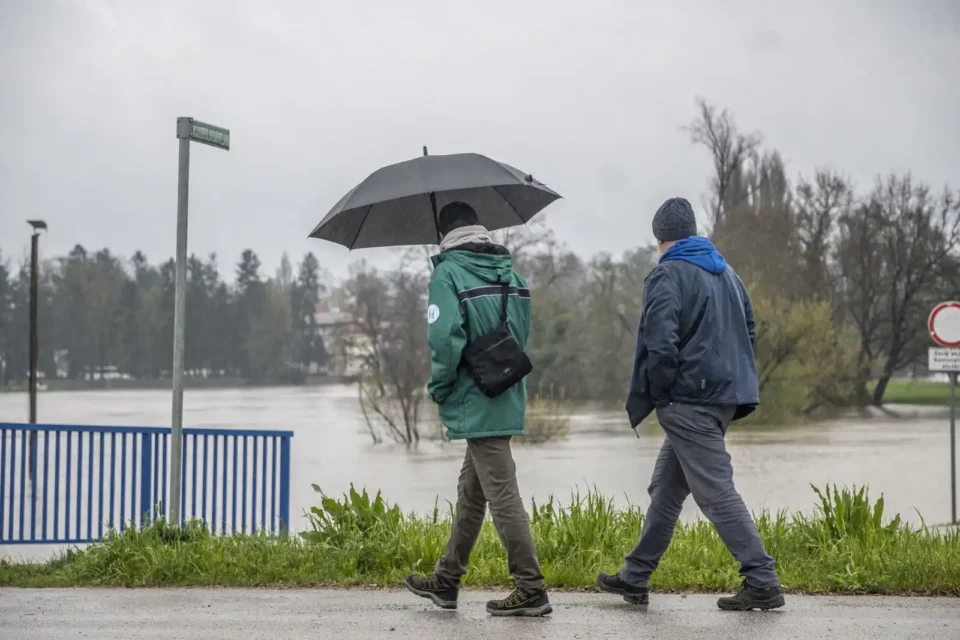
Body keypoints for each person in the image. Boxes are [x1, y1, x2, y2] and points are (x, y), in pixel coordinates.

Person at [596, 197, 785, 611]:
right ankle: (635, 576)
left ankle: (763, 580)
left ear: (659, 238)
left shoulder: (668, 274)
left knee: (716, 492)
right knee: (665, 489)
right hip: (722, 398)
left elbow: (659, 342)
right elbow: (749, 330)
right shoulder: (727, 272)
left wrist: (663, 393)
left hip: (688, 400)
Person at [403, 201, 552, 617]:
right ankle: (447, 581)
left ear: (443, 236)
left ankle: (531, 587)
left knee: (502, 495)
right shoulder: (513, 274)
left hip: (474, 397)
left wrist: (440, 386)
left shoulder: (447, 274)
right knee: (472, 493)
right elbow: (517, 336)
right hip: (506, 390)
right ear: (478, 228)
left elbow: (444, 338)